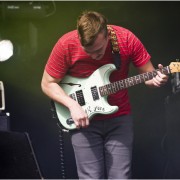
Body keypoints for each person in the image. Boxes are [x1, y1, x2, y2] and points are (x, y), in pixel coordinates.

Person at [41, 10, 169, 179]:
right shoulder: (66, 44)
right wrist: (73, 105)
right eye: (89, 51)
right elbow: (47, 83)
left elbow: (149, 75)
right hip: (83, 121)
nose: (94, 56)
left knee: (121, 176)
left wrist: (157, 80)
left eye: (99, 50)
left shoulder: (126, 39)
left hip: (119, 118)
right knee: (90, 177)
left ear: (107, 34)